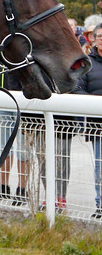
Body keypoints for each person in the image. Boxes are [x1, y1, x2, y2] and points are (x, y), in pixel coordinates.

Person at [0, 59, 30, 206]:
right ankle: (3, 186)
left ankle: (22, 189)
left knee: (24, 147)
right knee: (1, 147)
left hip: (22, 99)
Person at [74, 25, 102, 219]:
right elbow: (77, 88)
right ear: (93, 39)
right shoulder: (88, 64)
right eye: (100, 36)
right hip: (98, 125)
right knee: (101, 166)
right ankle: (100, 204)